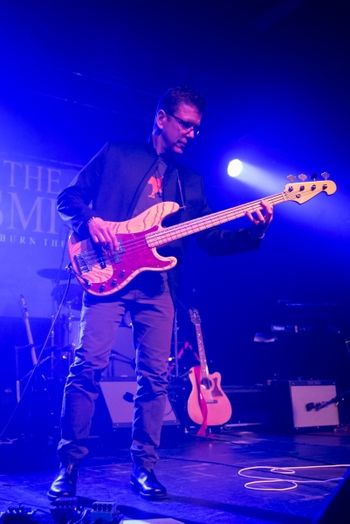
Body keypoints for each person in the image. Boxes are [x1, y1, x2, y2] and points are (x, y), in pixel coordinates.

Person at [48, 86, 273, 501]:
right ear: (162, 118)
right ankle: (68, 467)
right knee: (87, 367)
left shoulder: (189, 182)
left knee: (155, 378)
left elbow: (210, 240)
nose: (191, 133)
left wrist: (253, 231)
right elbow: (68, 198)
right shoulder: (118, 154)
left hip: (158, 287)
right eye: (185, 124)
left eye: (197, 128)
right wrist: (89, 221)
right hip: (106, 276)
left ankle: (145, 468)